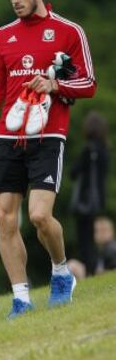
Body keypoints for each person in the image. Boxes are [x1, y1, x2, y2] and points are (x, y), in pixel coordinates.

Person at [0, 0, 96, 319]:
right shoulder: (2, 35)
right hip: (8, 138)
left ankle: (60, 272)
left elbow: (89, 83)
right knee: (5, 220)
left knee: (39, 216)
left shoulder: (68, 31)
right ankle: (21, 298)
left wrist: (54, 84)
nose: (15, 0)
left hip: (48, 135)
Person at [70, 111, 109, 275]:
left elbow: (74, 173)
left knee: (85, 238)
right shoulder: (105, 150)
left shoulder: (88, 150)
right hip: (98, 198)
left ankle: (91, 269)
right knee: (93, 237)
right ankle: (95, 267)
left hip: (85, 200)